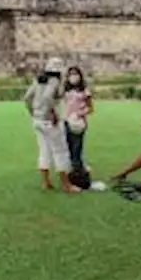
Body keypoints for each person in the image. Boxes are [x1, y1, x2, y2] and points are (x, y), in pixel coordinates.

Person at [24, 57, 77, 193]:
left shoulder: (38, 80)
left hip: (37, 120)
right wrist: (53, 112)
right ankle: (66, 186)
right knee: (61, 151)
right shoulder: (54, 81)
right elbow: (48, 97)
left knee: (44, 150)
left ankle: (45, 182)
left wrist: (32, 112)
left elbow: (27, 97)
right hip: (49, 120)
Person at [62, 65, 93, 174]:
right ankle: (71, 167)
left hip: (79, 122)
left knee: (77, 147)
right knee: (68, 145)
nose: (73, 77)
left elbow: (91, 108)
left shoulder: (85, 90)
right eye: (71, 74)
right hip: (67, 121)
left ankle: (78, 168)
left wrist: (79, 114)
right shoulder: (65, 90)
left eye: (75, 74)